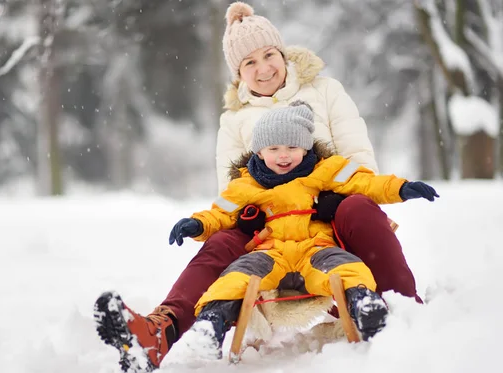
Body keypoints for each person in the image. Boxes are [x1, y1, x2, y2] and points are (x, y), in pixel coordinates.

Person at [94, 2, 422, 371]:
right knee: (219, 242)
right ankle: (160, 332)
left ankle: (401, 307)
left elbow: (361, 161)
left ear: (282, 53)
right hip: (265, 230)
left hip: (332, 215)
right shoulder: (234, 120)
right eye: (249, 62)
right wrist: (242, 217)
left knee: (359, 208)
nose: (263, 68)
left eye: (268, 55)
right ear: (239, 73)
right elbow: (230, 192)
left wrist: (333, 197)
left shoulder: (326, 91)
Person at [173, 102, 437, 358]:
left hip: (317, 247)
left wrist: (400, 188)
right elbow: (220, 213)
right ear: (259, 152)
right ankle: (211, 323)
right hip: (269, 252)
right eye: (274, 148)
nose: (284, 155)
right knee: (235, 277)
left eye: (292, 146)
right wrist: (197, 224)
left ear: (306, 147)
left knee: (347, 268)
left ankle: (365, 305)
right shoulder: (245, 185)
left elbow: (365, 183)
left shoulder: (326, 170)